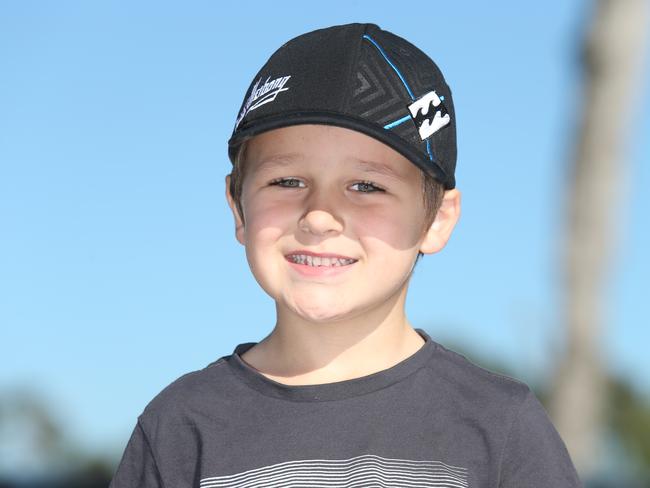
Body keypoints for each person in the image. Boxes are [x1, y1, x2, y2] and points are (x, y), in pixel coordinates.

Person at [109, 23, 582, 487]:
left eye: (366, 186)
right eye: (287, 181)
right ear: (237, 206)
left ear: (437, 219)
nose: (319, 216)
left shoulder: (500, 427)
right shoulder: (180, 426)